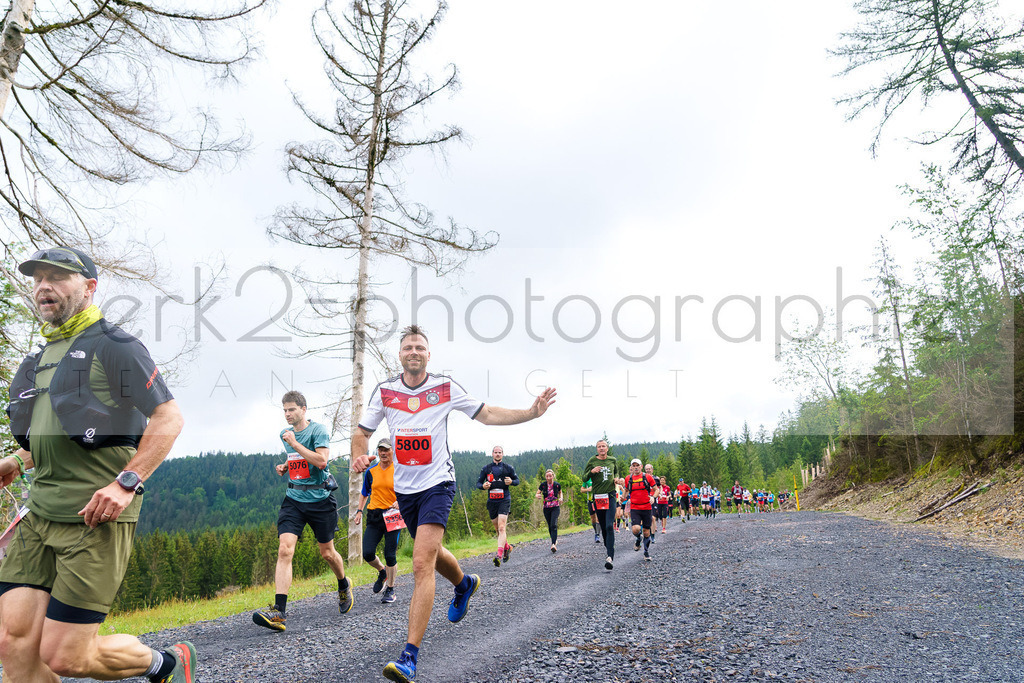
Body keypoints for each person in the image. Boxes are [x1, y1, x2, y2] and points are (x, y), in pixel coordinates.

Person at [0, 247, 192, 682]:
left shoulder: (114, 346)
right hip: (39, 513)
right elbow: (68, 429)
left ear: (89, 287)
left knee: (65, 657)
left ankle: (167, 663)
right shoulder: (42, 357)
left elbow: (168, 417)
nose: (43, 286)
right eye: (38, 279)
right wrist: (17, 459)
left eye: (57, 277)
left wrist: (126, 483)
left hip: (93, 517)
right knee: (14, 645)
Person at [350, 325, 556, 683]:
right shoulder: (385, 391)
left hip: (439, 484)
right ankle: (463, 585)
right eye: (408, 347)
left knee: (420, 562)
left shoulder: (444, 387)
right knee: (432, 551)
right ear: (400, 355)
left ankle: (409, 657)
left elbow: (487, 413)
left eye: (420, 347)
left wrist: (530, 412)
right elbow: (362, 432)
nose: (414, 352)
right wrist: (357, 454)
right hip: (406, 491)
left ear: (429, 355)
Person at [253, 390, 351, 631]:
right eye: (284, 410)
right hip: (294, 498)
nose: (287, 414)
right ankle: (279, 612)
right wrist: (286, 465)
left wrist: (295, 443)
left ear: (303, 409)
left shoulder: (318, 430)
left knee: (327, 553)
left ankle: (343, 584)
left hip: (320, 500)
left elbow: (321, 461)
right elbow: (298, 457)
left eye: (292, 409)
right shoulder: (284, 434)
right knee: (285, 549)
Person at [355, 438, 402, 604]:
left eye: (386, 450)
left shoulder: (399, 470)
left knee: (390, 555)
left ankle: (390, 589)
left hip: (393, 515)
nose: (383, 453)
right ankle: (382, 572)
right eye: (381, 450)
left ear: (392, 451)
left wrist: (400, 501)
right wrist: (359, 511)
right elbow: (364, 492)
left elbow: (408, 490)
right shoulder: (371, 471)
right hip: (374, 515)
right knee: (367, 553)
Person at [477, 445, 520, 567]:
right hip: (492, 501)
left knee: (502, 528)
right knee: (497, 529)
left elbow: (517, 481)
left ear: (502, 454)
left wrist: (511, 482)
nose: (497, 454)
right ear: (492, 454)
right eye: (495, 452)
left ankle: (499, 555)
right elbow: (478, 483)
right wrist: (483, 486)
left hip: (504, 499)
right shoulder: (486, 468)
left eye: (499, 452)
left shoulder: (508, 468)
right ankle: (507, 547)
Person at [583, 439, 617, 570]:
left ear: (607, 448)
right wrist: (592, 472)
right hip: (598, 497)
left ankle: (610, 556)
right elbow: (584, 478)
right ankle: (609, 546)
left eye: (603, 446)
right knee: (603, 526)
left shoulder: (612, 460)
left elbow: (616, 472)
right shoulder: (592, 461)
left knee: (609, 525)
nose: (601, 448)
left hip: (610, 495)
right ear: (597, 449)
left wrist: (616, 478)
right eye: (599, 447)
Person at [624, 459, 656, 561]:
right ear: (631, 467)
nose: (636, 467)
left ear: (641, 466)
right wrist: (623, 498)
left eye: (637, 465)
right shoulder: (628, 478)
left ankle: (646, 552)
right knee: (636, 529)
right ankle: (638, 538)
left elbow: (656, 489)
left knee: (646, 532)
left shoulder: (647, 477)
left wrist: (653, 497)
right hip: (635, 507)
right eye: (633, 466)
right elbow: (626, 490)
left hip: (647, 507)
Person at [535, 469, 562, 552]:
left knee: (553, 524)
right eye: (547, 476)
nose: (548, 478)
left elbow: (560, 492)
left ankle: (553, 544)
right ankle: (554, 540)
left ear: (553, 476)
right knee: (550, 525)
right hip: (546, 508)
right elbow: (537, 493)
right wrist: (537, 495)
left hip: (555, 507)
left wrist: (561, 498)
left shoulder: (557, 485)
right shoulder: (543, 485)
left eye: (550, 476)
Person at [581, 478, 601, 543]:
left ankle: (597, 535)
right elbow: (582, 490)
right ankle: (596, 531)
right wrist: (588, 489)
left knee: (598, 518)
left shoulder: (598, 477)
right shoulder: (587, 480)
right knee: (593, 519)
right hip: (590, 501)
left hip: (598, 500)